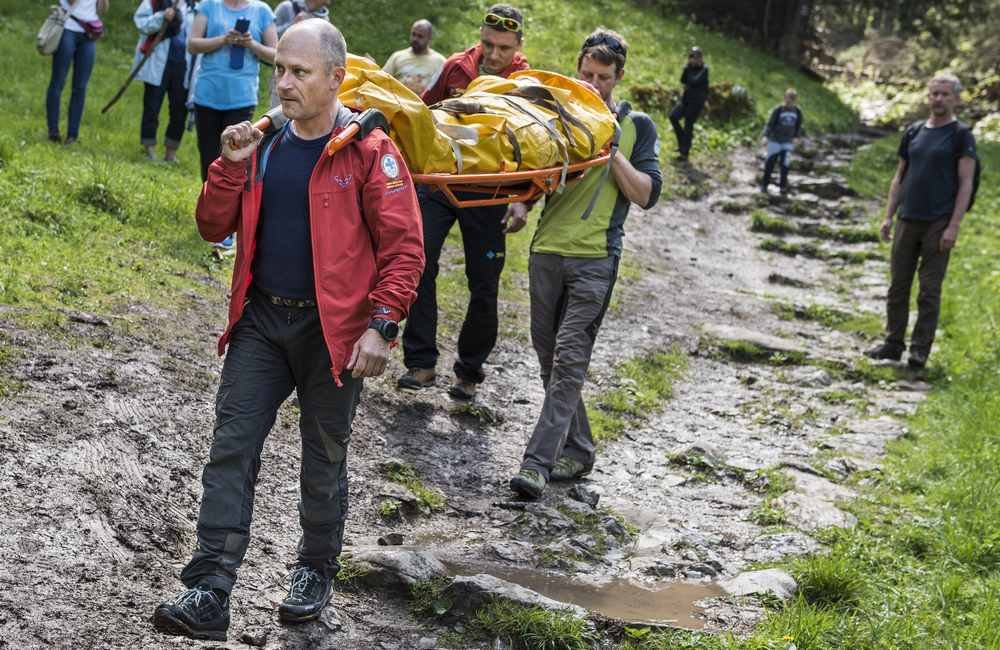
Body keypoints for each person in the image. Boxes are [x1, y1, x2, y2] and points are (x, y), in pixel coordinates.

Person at [151, 19, 424, 641]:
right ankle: (209, 590)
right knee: (231, 448)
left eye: (300, 72)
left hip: (336, 332)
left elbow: (405, 247)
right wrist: (227, 166)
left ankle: (312, 570)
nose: (285, 82)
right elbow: (210, 225)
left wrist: (382, 325)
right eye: (280, 70)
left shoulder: (369, 150)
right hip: (261, 321)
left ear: (337, 77)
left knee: (323, 459)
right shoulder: (262, 142)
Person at [504, 29, 662, 499]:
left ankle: (537, 464)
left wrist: (610, 150)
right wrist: (520, 205)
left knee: (569, 362)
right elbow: (535, 173)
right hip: (547, 251)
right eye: (586, 74)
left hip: (596, 259)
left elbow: (647, 193)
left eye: (603, 77)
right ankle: (581, 448)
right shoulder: (559, 113)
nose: (593, 84)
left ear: (619, 76)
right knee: (549, 359)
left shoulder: (638, 126)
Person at [398, 4, 529, 400]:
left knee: (483, 284)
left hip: (490, 193)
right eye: (488, 44)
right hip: (441, 185)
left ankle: (469, 372)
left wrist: (525, 200)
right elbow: (425, 113)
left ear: (519, 44)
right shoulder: (456, 67)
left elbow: (533, 147)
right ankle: (420, 364)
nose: (493, 55)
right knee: (419, 263)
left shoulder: (525, 81)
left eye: (504, 47)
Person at [866, 73, 977, 369]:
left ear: (955, 99)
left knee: (929, 291)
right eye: (934, 94)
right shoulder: (914, 131)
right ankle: (892, 344)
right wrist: (889, 215)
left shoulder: (961, 135)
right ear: (928, 97)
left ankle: (919, 352)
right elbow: (899, 176)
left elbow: (966, 183)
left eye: (944, 94)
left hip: (938, 222)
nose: (938, 99)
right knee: (897, 286)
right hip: (907, 218)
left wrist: (954, 225)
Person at [187, 0, 277, 182]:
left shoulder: (262, 10)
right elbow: (192, 44)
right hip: (207, 95)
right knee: (208, 158)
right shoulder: (208, 6)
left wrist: (251, 44)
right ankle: (208, 203)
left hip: (242, 99)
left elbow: (276, 54)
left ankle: (230, 205)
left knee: (234, 158)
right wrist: (223, 39)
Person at [132, 0, 192, 162]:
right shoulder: (154, 2)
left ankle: (170, 152)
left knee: (180, 109)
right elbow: (141, 24)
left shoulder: (194, 6)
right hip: (159, 61)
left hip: (183, 64)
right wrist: (161, 17)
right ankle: (149, 147)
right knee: (152, 105)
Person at [45, 0, 110, 144]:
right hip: (68, 27)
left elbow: (103, 10)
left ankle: (72, 135)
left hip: (89, 33)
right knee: (58, 81)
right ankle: (53, 131)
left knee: (80, 86)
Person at [268, 0, 331, 107]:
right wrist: (293, 24)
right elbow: (271, 37)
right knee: (279, 110)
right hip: (284, 72)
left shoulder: (324, 16)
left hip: (308, 74)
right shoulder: (287, 7)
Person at [382, 19, 445, 96]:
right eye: (413, 34)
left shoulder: (440, 61)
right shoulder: (397, 57)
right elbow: (382, 80)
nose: (415, 39)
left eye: (420, 36)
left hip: (427, 106)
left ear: (429, 38)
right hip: (398, 104)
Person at [668, 46, 708, 161]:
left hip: (696, 103)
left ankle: (684, 152)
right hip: (685, 100)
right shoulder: (689, 67)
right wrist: (687, 67)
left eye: (695, 57)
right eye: (691, 57)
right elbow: (683, 80)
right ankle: (682, 142)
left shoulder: (704, 69)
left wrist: (689, 68)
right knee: (673, 116)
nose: (693, 59)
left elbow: (693, 80)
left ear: (701, 58)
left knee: (688, 125)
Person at [760, 88, 803, 194]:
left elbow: (798, 126)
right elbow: (770, 124)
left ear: (795, 100)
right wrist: (765, 136)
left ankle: (783, 187)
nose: (790, 101)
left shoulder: (797, 111)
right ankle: (764, 185)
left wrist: (797, 137)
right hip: (775, 141)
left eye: (792, 99)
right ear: (785, 98)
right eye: (788, 98)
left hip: (787, 142)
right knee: (770, 163)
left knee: (785, 165)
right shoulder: (778, 110)